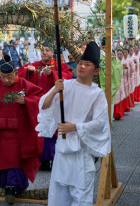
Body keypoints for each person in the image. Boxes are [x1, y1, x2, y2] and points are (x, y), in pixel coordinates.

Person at [36, 41, 111, 206]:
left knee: (80, 196)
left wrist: (75, 127)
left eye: (87, 64)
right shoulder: (65, 85)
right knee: (58, 195)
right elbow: (44, 105)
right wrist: (55, 90)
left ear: (96, 70)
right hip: (62, 152)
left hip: (81, 153)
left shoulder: (97, 94)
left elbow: (99, 123)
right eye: (81, 63)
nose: (82, 66)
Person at [0, 62, 44, 204]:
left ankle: (13, 186)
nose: (6, 80)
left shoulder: (24, 85)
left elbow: (40, 98)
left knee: (15, 159)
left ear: (16, 73)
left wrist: (26, 101)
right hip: (0, 132)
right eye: (3, 77)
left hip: (17, 133)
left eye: (9, 76)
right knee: (2, 160)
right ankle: (4, 185)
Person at [18, 42, 73, 170]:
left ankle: (54, 158)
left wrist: (52, 74)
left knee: (53, 131)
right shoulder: (34, 66)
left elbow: (67, 78)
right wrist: (28, 72)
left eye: (47, 50)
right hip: (37, 105)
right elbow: (19, 74)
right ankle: (40, 160)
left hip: (54, 105)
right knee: (39, 130)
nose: (44, 53)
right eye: (42, 50)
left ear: (53, 52)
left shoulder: (60, 66)